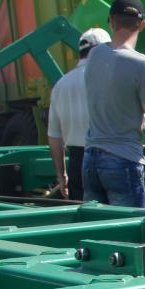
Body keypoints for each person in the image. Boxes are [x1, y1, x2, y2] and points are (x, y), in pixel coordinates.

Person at [82, 0, 145, 207]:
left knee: (95, 230)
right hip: (123, 159)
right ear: (142, 25)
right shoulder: (142, 64)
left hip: (90, 158)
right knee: (134, 233)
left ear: (111, 21)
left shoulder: (94, 55)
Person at [48, 27, 109, 199]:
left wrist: (61, 175)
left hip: (77, 161)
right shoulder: (109, 77)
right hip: (110, 155)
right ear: (102, 50)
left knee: (86, 219)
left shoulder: (61, 85)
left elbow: (54, 136)